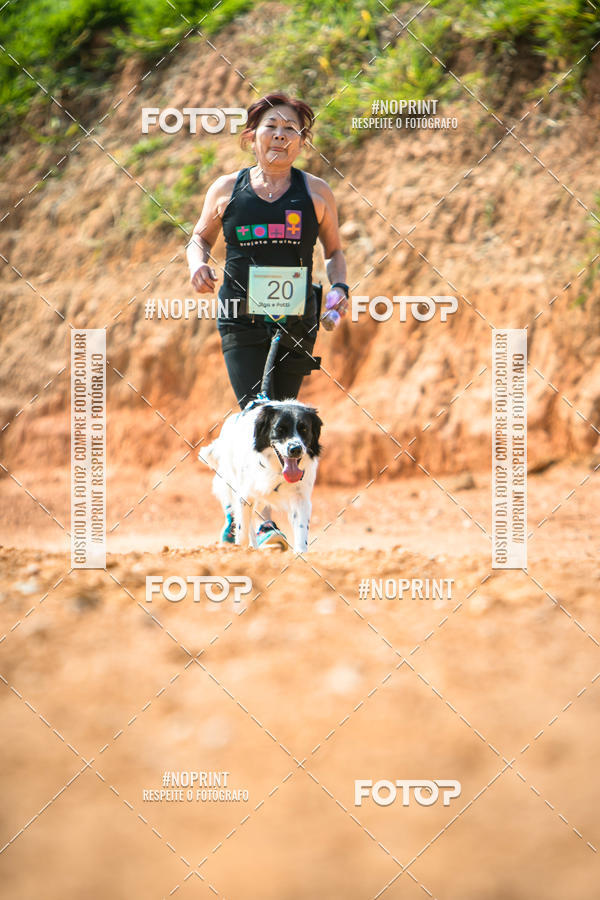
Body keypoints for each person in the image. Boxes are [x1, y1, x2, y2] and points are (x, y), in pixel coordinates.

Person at [187, 91, 349, 548]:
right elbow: (197, 238)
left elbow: (334, 252)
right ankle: (258, 523)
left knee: (283, 415)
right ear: (251, 137)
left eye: (291, 129)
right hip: (240, 316)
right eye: (271, 127)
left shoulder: (315, 192)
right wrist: (195, 263)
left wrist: (338, 289)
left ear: (302, 140)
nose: (280, 136)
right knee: (256, 413)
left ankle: (249, 509)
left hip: (296, 316)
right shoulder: (225, 190)